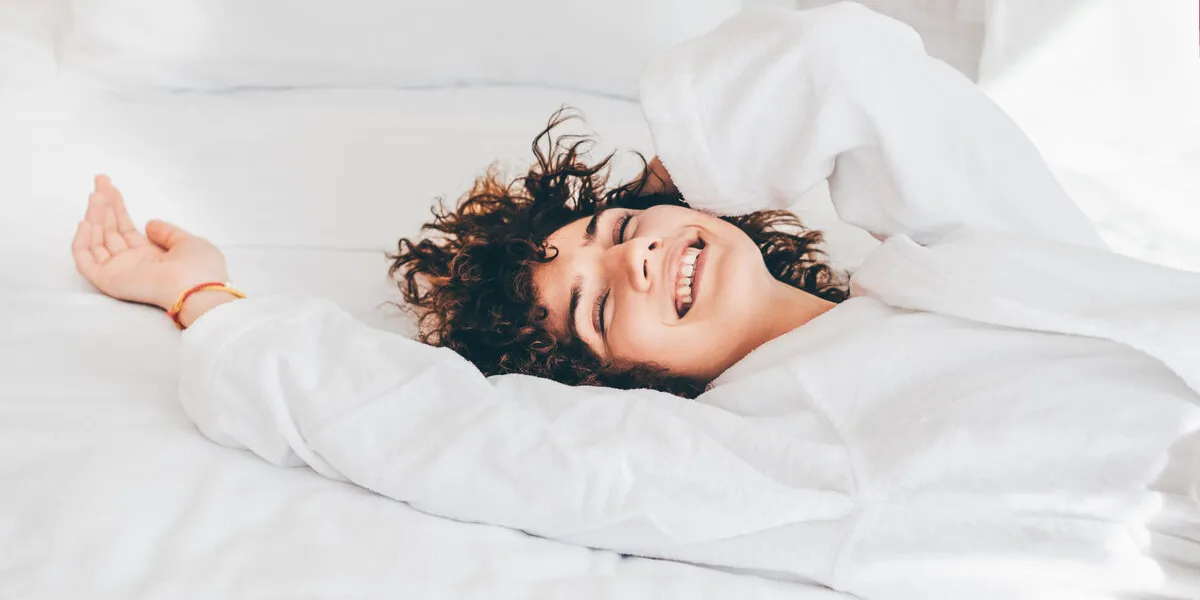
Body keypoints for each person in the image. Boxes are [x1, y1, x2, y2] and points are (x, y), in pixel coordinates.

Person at [71, 3, 1200, 599]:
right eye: (606, 310)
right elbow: (457, 436)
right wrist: (203, 299)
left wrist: (675, 208)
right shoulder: (761, 446)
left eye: (615, 236)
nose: (642, 266)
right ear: (620, 385)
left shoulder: (950, 262)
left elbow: (844, 64)